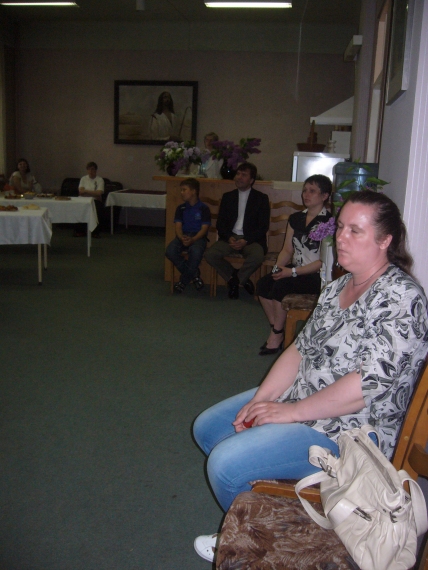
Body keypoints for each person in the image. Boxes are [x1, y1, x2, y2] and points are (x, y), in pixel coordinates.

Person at [193, 190, 428, 563]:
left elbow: (364, 387)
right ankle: (267, 505)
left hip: (350, 430)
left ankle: (258, 539)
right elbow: (298, 351)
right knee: (208, 429)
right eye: (341, 227)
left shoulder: (402, 298)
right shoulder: (337, 287)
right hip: (304, 397)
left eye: (355, 231)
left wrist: (289, 412)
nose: (341, 238)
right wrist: (262, 400)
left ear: (385, 240)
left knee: (225, 466)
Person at [257, 174, 332, 355]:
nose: (306, 194)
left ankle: (276, 335)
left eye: (312, 191)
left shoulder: (330, 223)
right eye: (305, 190)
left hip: (315, 274)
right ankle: (278, 330)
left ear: (325, 196)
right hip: (295, 268)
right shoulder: (296, 218)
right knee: (264, 284)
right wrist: (277, 268)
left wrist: (292, 272)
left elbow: (323, 261)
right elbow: (287, 249)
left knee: (281, 287)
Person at [204, 162, 270, 299]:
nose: (239, 177)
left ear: (251, 180)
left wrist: (246, 240)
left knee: (257, 256)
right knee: (210, 254)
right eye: (238, 174)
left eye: (244, 175)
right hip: (231, 238)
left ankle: (235, 282)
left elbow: (263, 226)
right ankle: (237, 277)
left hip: (250, 240)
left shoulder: (261, 198)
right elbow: (220, 224)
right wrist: (229, 237)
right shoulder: (228, 197)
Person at [165, 178, 211, 293]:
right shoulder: (181, 208)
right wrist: (181, 237)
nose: (181, 193)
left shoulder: (204, 208)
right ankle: (194, 275)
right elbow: (178, 227)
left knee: (196, 252)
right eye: (181, 190)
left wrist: (193, 239)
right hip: (183, 236)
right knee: (170, 251)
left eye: (184, 190)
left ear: (194, 191)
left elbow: (204, 229)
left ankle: (183, 281)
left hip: (198, 237)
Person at [75, 161, 104, 238]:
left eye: (92, 169)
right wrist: (93, 192)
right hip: (83, 200)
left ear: (96, 170)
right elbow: (81, 192)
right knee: (79, 208)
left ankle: (95, 232)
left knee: (97, 208)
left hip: (95, 200)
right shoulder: (83, 179)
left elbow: (99, 193)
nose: (91, 171)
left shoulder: (100, 180)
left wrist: (86, 191)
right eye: (89, 169)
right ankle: (80, 231)